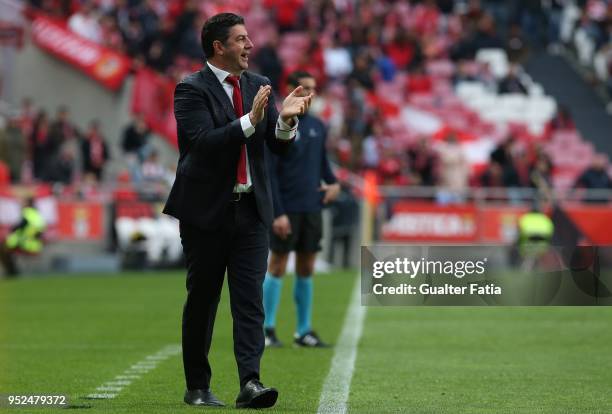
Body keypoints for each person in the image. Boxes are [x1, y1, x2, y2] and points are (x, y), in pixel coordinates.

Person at [162, 13, 313, 409]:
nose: (249, 46)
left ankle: (251, 383)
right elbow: (203, 142)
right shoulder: (189, 89)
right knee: (203, 301)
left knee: (250, 301)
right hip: (206, 214)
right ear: (219, 47)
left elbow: (276, 147)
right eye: (241, 39)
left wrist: (285, 122)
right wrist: (251, 120)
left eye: (248, 39)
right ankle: (197, 386)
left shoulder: (259, 85)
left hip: (250, 212)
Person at [263, 71, 340, 349]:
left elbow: (322, 164)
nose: (310, 93)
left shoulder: (318, 126)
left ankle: (303, 331)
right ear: (289, 90)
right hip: (287, 207)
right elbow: (270, 172)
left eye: (313, 88)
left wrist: (333, 184)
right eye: (304, 88)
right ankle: (267, 329)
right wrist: (278, 212)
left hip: (311, 206)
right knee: (278, 264)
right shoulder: (279, 122)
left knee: (307, 267)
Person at [0, 198, 45, 277]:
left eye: (23, 202)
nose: (21, 204)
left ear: (28, 204)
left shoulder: (27, 214)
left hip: (26, 243)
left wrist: (12, 231)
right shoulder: (36, 214)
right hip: (35, 244)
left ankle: (12, 272)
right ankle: (12, 271)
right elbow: (39, 231)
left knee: (3, 249)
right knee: (6, 250)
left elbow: (16, 228)